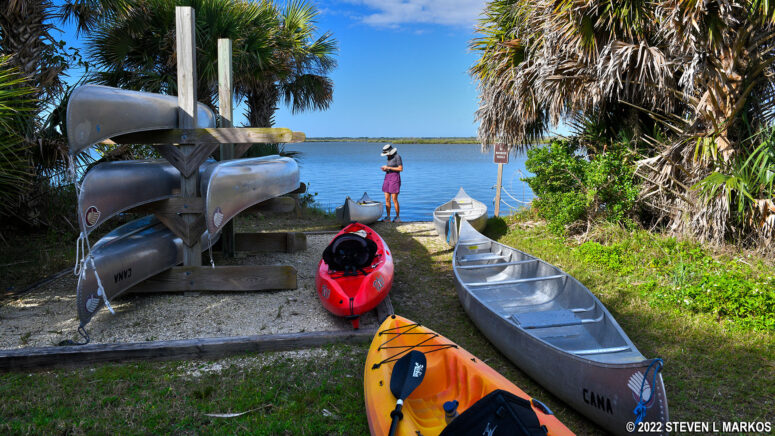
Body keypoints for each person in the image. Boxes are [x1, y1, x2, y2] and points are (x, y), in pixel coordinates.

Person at [380, 144, 403, 222]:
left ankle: (397, 217)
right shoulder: (388, 157)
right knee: (387, 199)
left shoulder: (397, 156)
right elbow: (391, 168)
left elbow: (400, 168)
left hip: (395, 178)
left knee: (394, 199)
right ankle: (388, 217)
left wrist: (388, 167)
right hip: (387, 177)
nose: (386, 155)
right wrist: (385, 169)